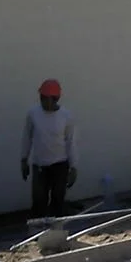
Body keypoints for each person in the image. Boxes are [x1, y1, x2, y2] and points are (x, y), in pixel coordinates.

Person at [20, 79, 77, 218]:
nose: (43, 101)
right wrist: (23, 160)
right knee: (38, 201)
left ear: (55, 99)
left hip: (60, 165)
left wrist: (74, 167)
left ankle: (56, 228)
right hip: (40, 165)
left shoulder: (65, 116)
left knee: (58, 200)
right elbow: (27, 137)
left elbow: (71, 142)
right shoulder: (33, 114)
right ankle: (39, 228)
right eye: (42, 98)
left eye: (47, 98)